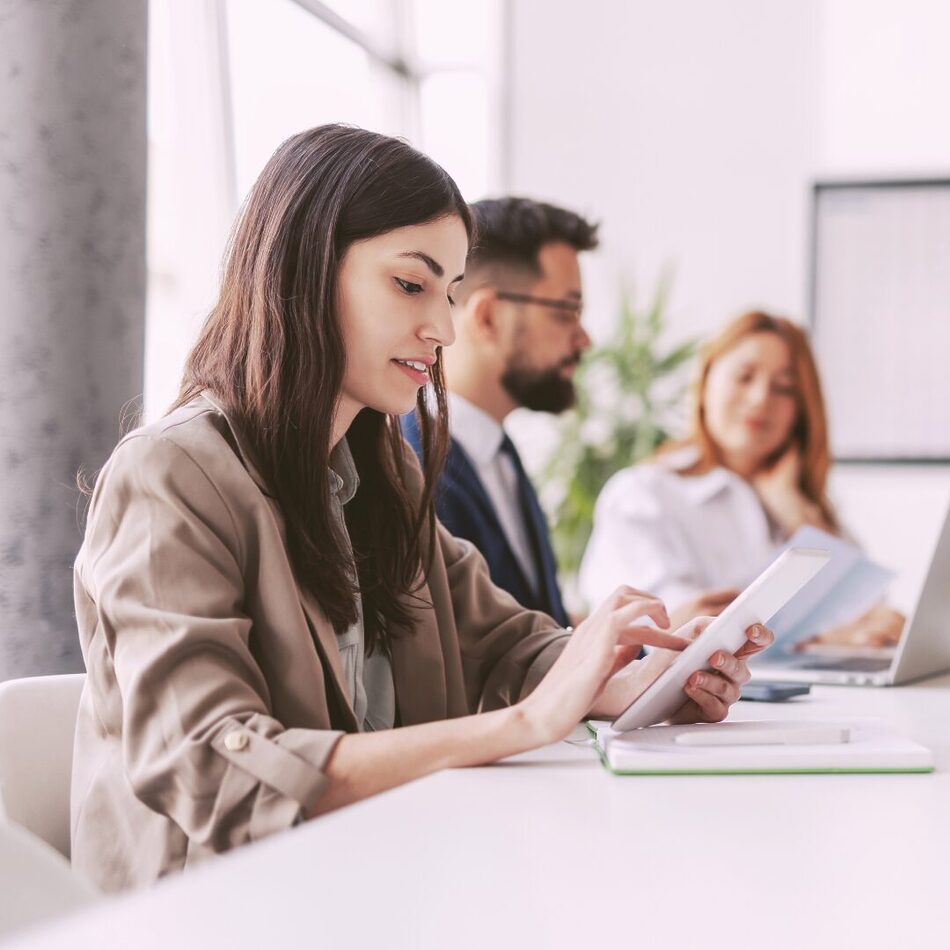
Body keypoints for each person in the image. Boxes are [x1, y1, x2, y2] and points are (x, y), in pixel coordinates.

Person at [71, 126, 771, 893]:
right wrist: (522, 726)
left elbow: (506, 647)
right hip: (220, 913)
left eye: (451, 293)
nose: (440, 328)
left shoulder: (382, 472)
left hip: (378, 883)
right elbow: (212, 764)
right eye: (412, 284)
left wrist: (636, 680)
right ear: (300, 270)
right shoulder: (171, 474)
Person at [579, 310, 904, 646]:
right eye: (744, 377)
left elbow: (869, 607)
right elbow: (673, 626)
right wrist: (819, 638)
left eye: (784, 388)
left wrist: (796, 513)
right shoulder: (643, 495)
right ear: (705, 383)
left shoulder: (797, 502)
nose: (760, 398)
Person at [404, 197, 595, 626]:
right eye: (566, 312)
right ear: (488, 316)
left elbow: (535, 625)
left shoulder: (500, 454)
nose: (584, 339)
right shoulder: (409, 462)